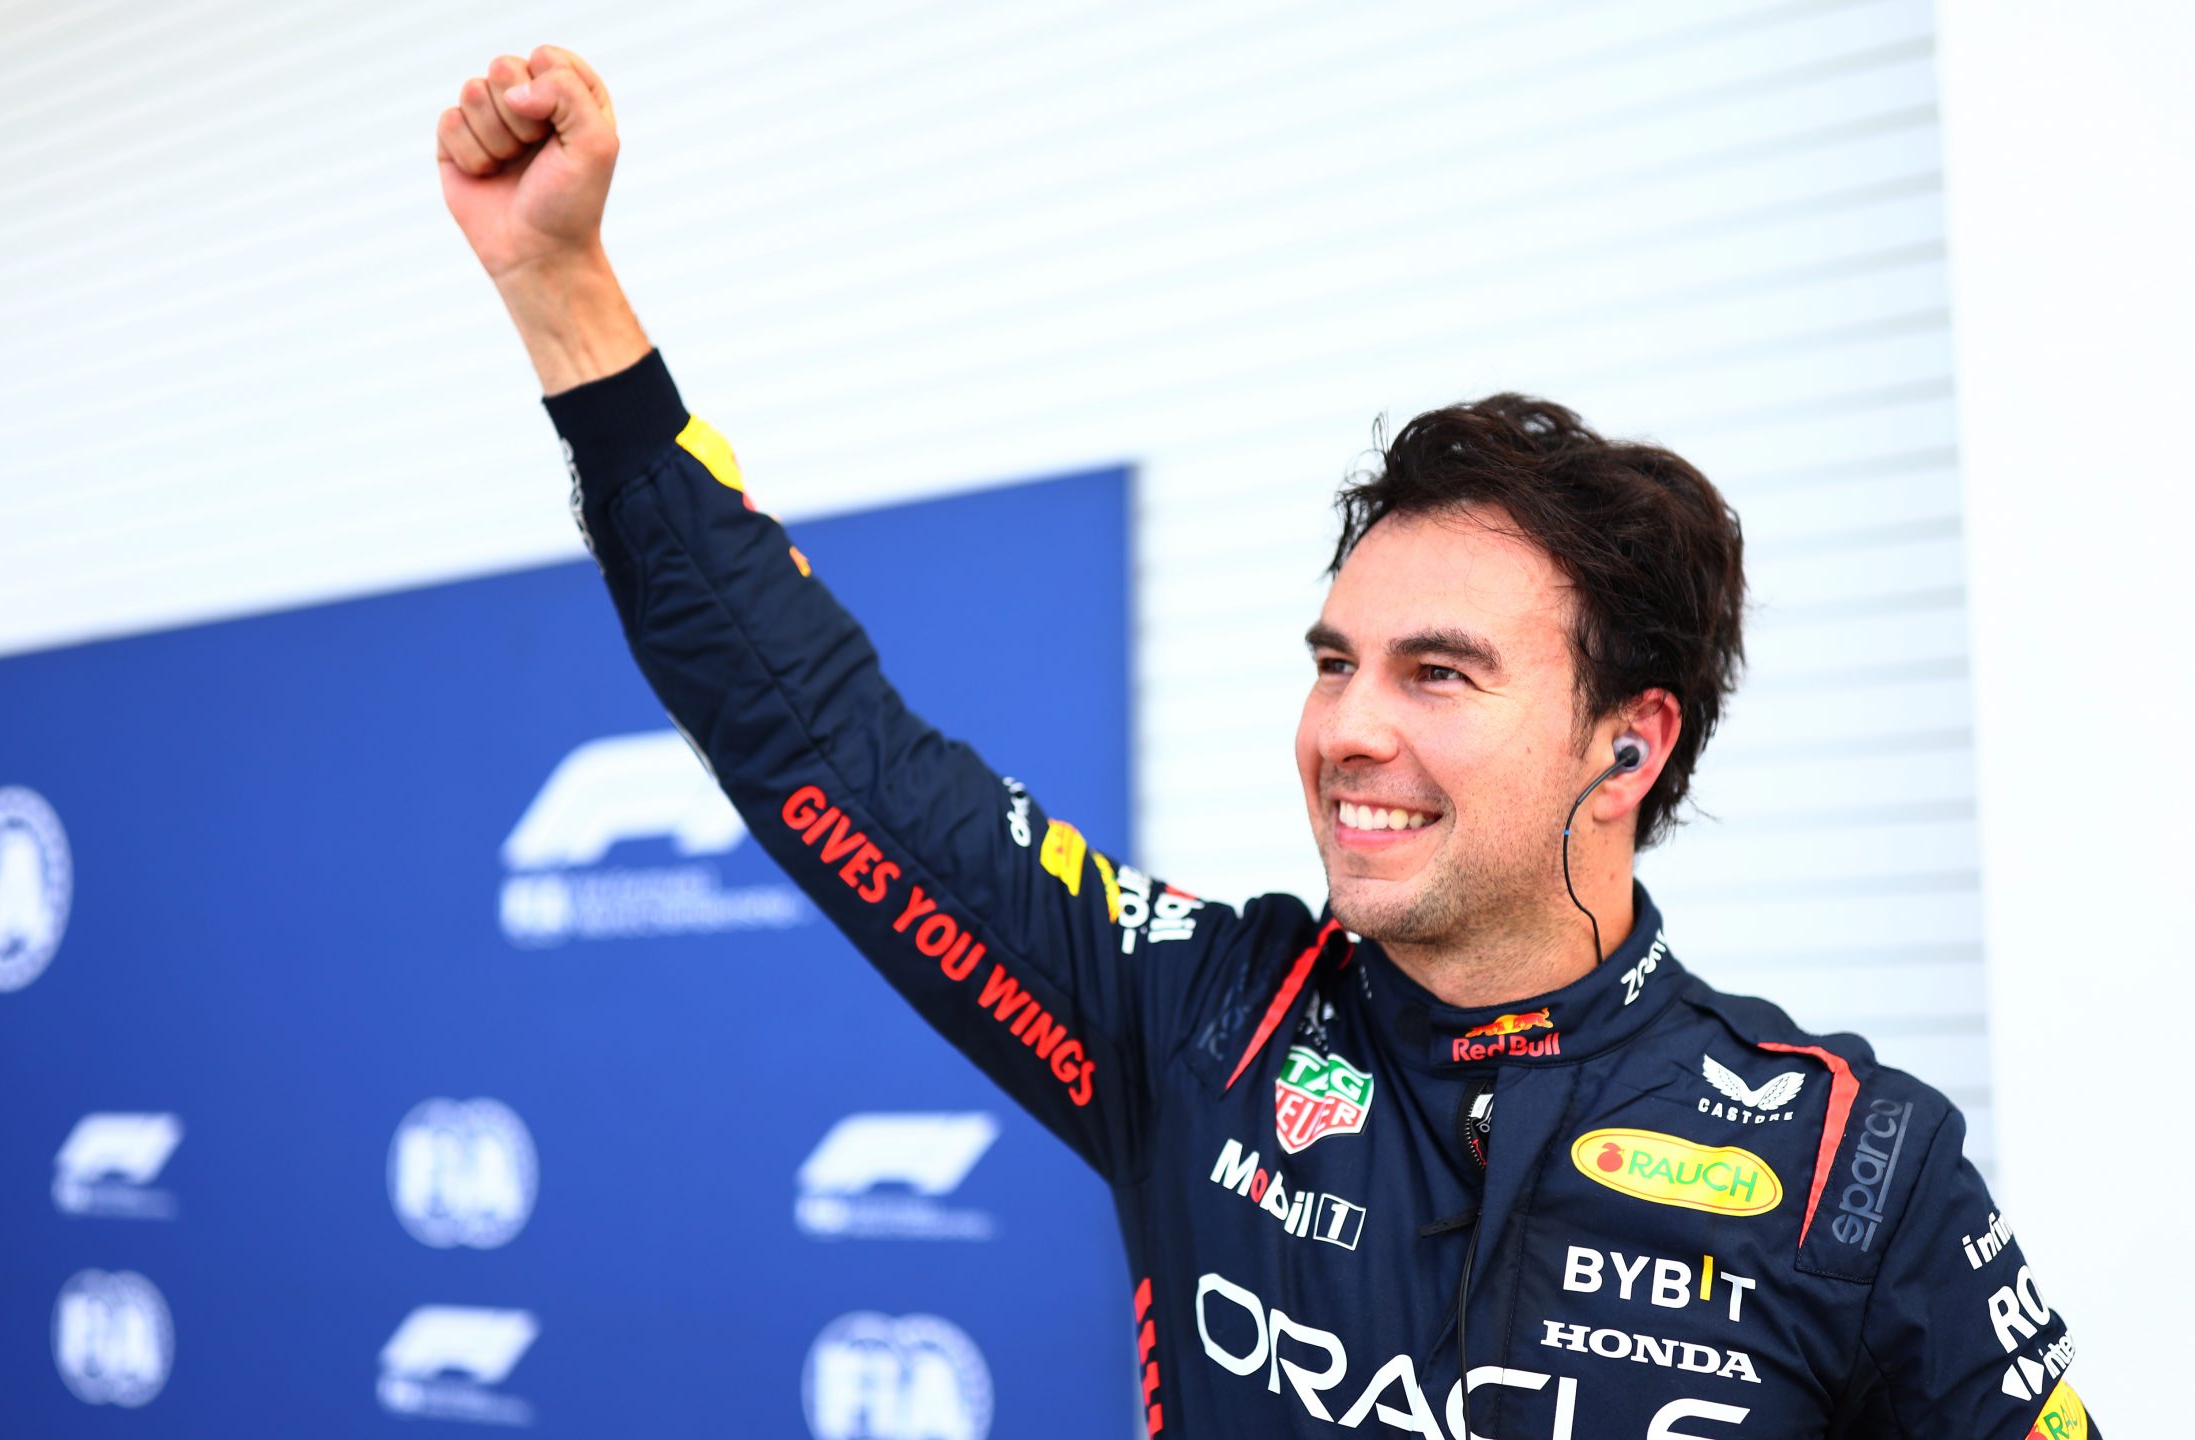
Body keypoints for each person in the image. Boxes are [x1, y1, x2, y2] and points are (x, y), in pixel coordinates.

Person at [437, 45, 2094, 1440]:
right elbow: (820, 742)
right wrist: (565, 294)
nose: (1348, 730)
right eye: (1334, 662)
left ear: (1627, 745)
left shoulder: (1855, 1172)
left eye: (1439, 675)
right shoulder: (1203, 1024)